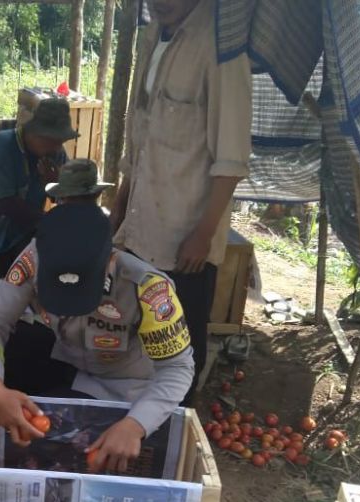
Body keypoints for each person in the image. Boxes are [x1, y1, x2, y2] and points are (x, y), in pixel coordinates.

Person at [0, 165, 194, 473]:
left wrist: (136, 425)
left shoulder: (148, 288)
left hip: (122, 387)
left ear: (108, 261)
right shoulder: (35, 256)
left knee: (79, 452)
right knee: (15, 351)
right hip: (72, 366)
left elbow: (178, 368)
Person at [110, 0, 251, 406]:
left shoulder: (223, 47)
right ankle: (135, 428)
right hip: (141, 224)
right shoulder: (152, 34)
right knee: (139, 337)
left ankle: (174, 430)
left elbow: (232, 158)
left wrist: (204, 234)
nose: (160, 3)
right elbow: (141, 129)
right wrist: (122, 195)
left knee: (179, 348)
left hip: (184, 237)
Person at [0, 97, 76, 308]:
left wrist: (56, 185)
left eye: (61, 141)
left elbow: (67, 201)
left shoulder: (55, 153)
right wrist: (50, 221)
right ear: (35, 133)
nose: (58, 147)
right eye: (53, 140)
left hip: (25, 237)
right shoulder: (2, 145)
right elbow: (4, 204)